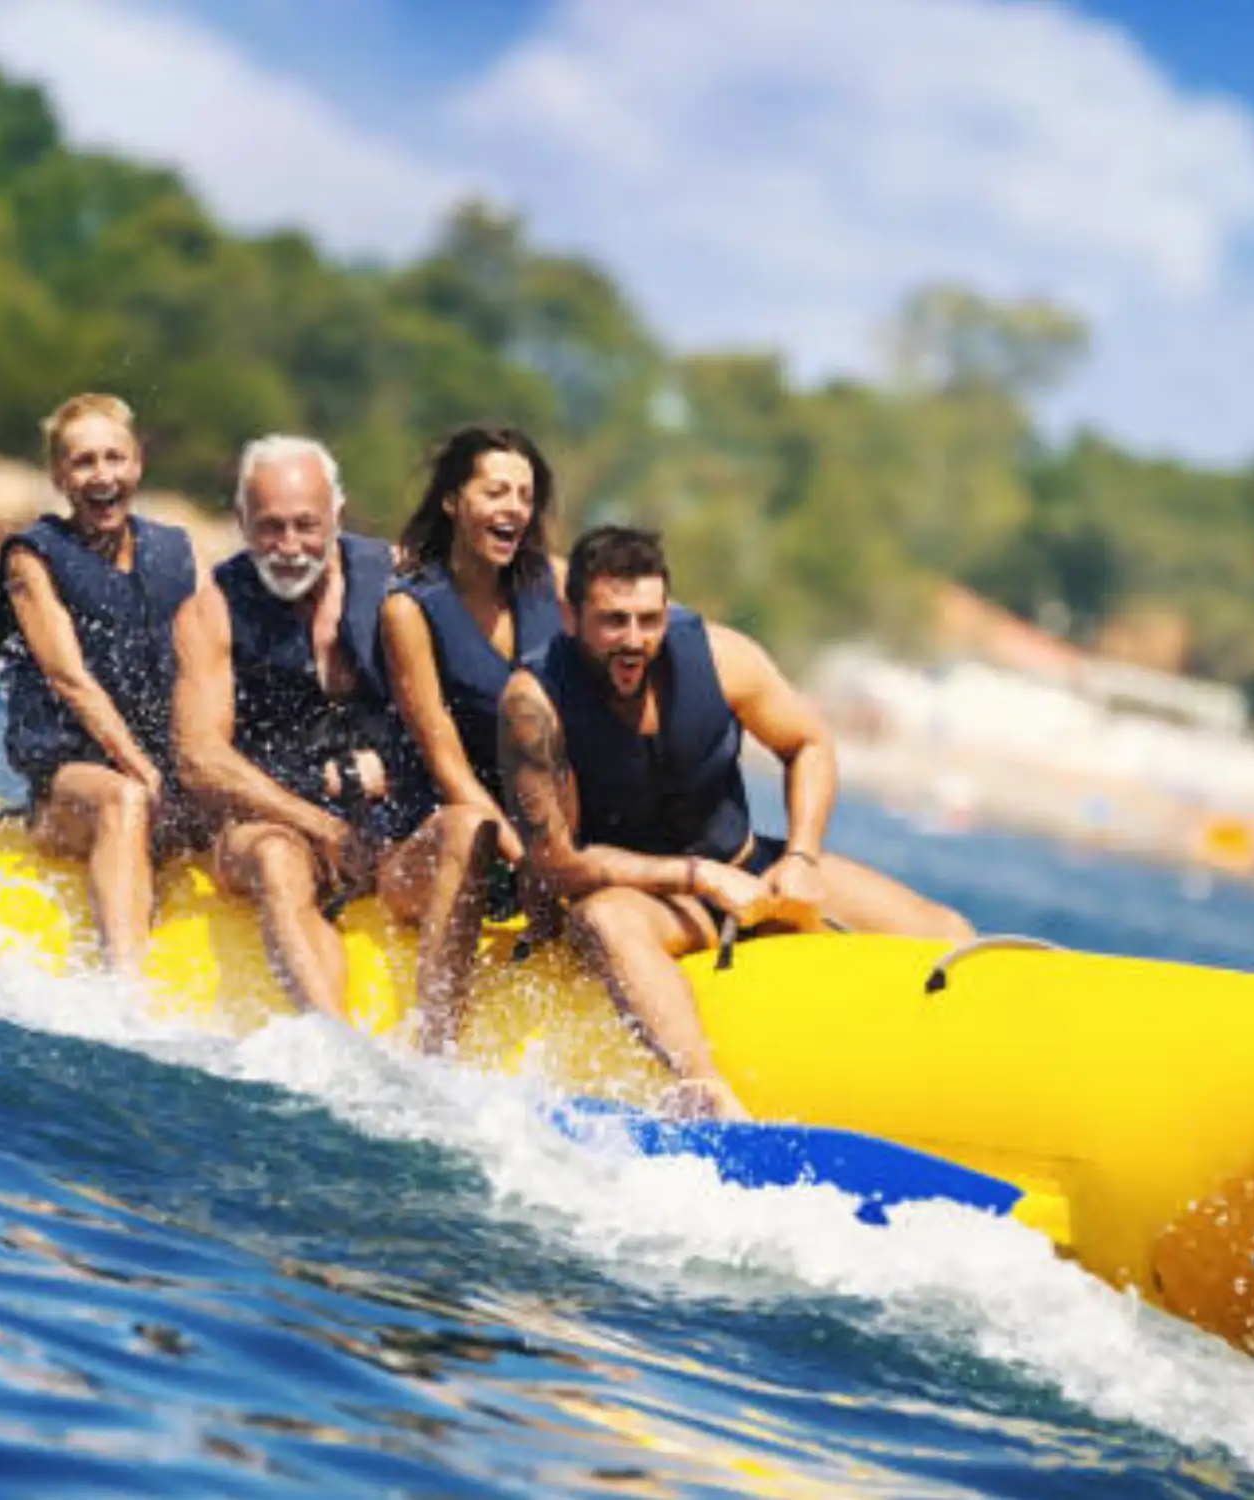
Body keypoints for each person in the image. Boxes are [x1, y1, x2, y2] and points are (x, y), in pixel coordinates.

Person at [498, 525, 975, 1119]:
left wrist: (801, 856)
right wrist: (699, 876)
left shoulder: (722, 657)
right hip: (649, 898)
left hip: (756, 868)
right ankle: (703, 1087)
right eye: (613, 621)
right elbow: (557, 863)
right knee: (602, 918)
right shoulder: (533, 702)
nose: (633, 640)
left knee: (948, 931)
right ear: (571, 617)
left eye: (649, 619)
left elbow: (808, 743)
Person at [171, 435, 496, 1030]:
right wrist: (320, 826)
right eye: (270, 527)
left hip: (389, 843)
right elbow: (199, 758)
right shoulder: (213, 607)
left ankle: (439, 1043)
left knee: (469, 829)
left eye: (306, 525)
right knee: (274, 856)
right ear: (242, 521)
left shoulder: (402, 581)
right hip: (276, 831)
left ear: (337, 516)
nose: (289, 547)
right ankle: (335, 1042)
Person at [0, 393, 193, 977]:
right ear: (59, 476)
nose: (102, 476)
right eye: (83, 463)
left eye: (115, 458)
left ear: (138, 464)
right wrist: (144, 771)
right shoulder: (33, 558)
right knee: (124, 799)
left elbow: (205, 667)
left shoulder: (174, 552)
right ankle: (125, 988)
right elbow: (68, 679)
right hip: (68, 787)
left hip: (160, 771)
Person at [380, 426, 568, 1044]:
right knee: (469, 824)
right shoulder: (410, 609)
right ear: (453, 501)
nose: (514, 506)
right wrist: (529, 856)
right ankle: (434, 1043)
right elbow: (446, 764)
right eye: (496, 491)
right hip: (432, 841)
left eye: (525, 494)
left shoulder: (555, 586)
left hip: (542, 842)